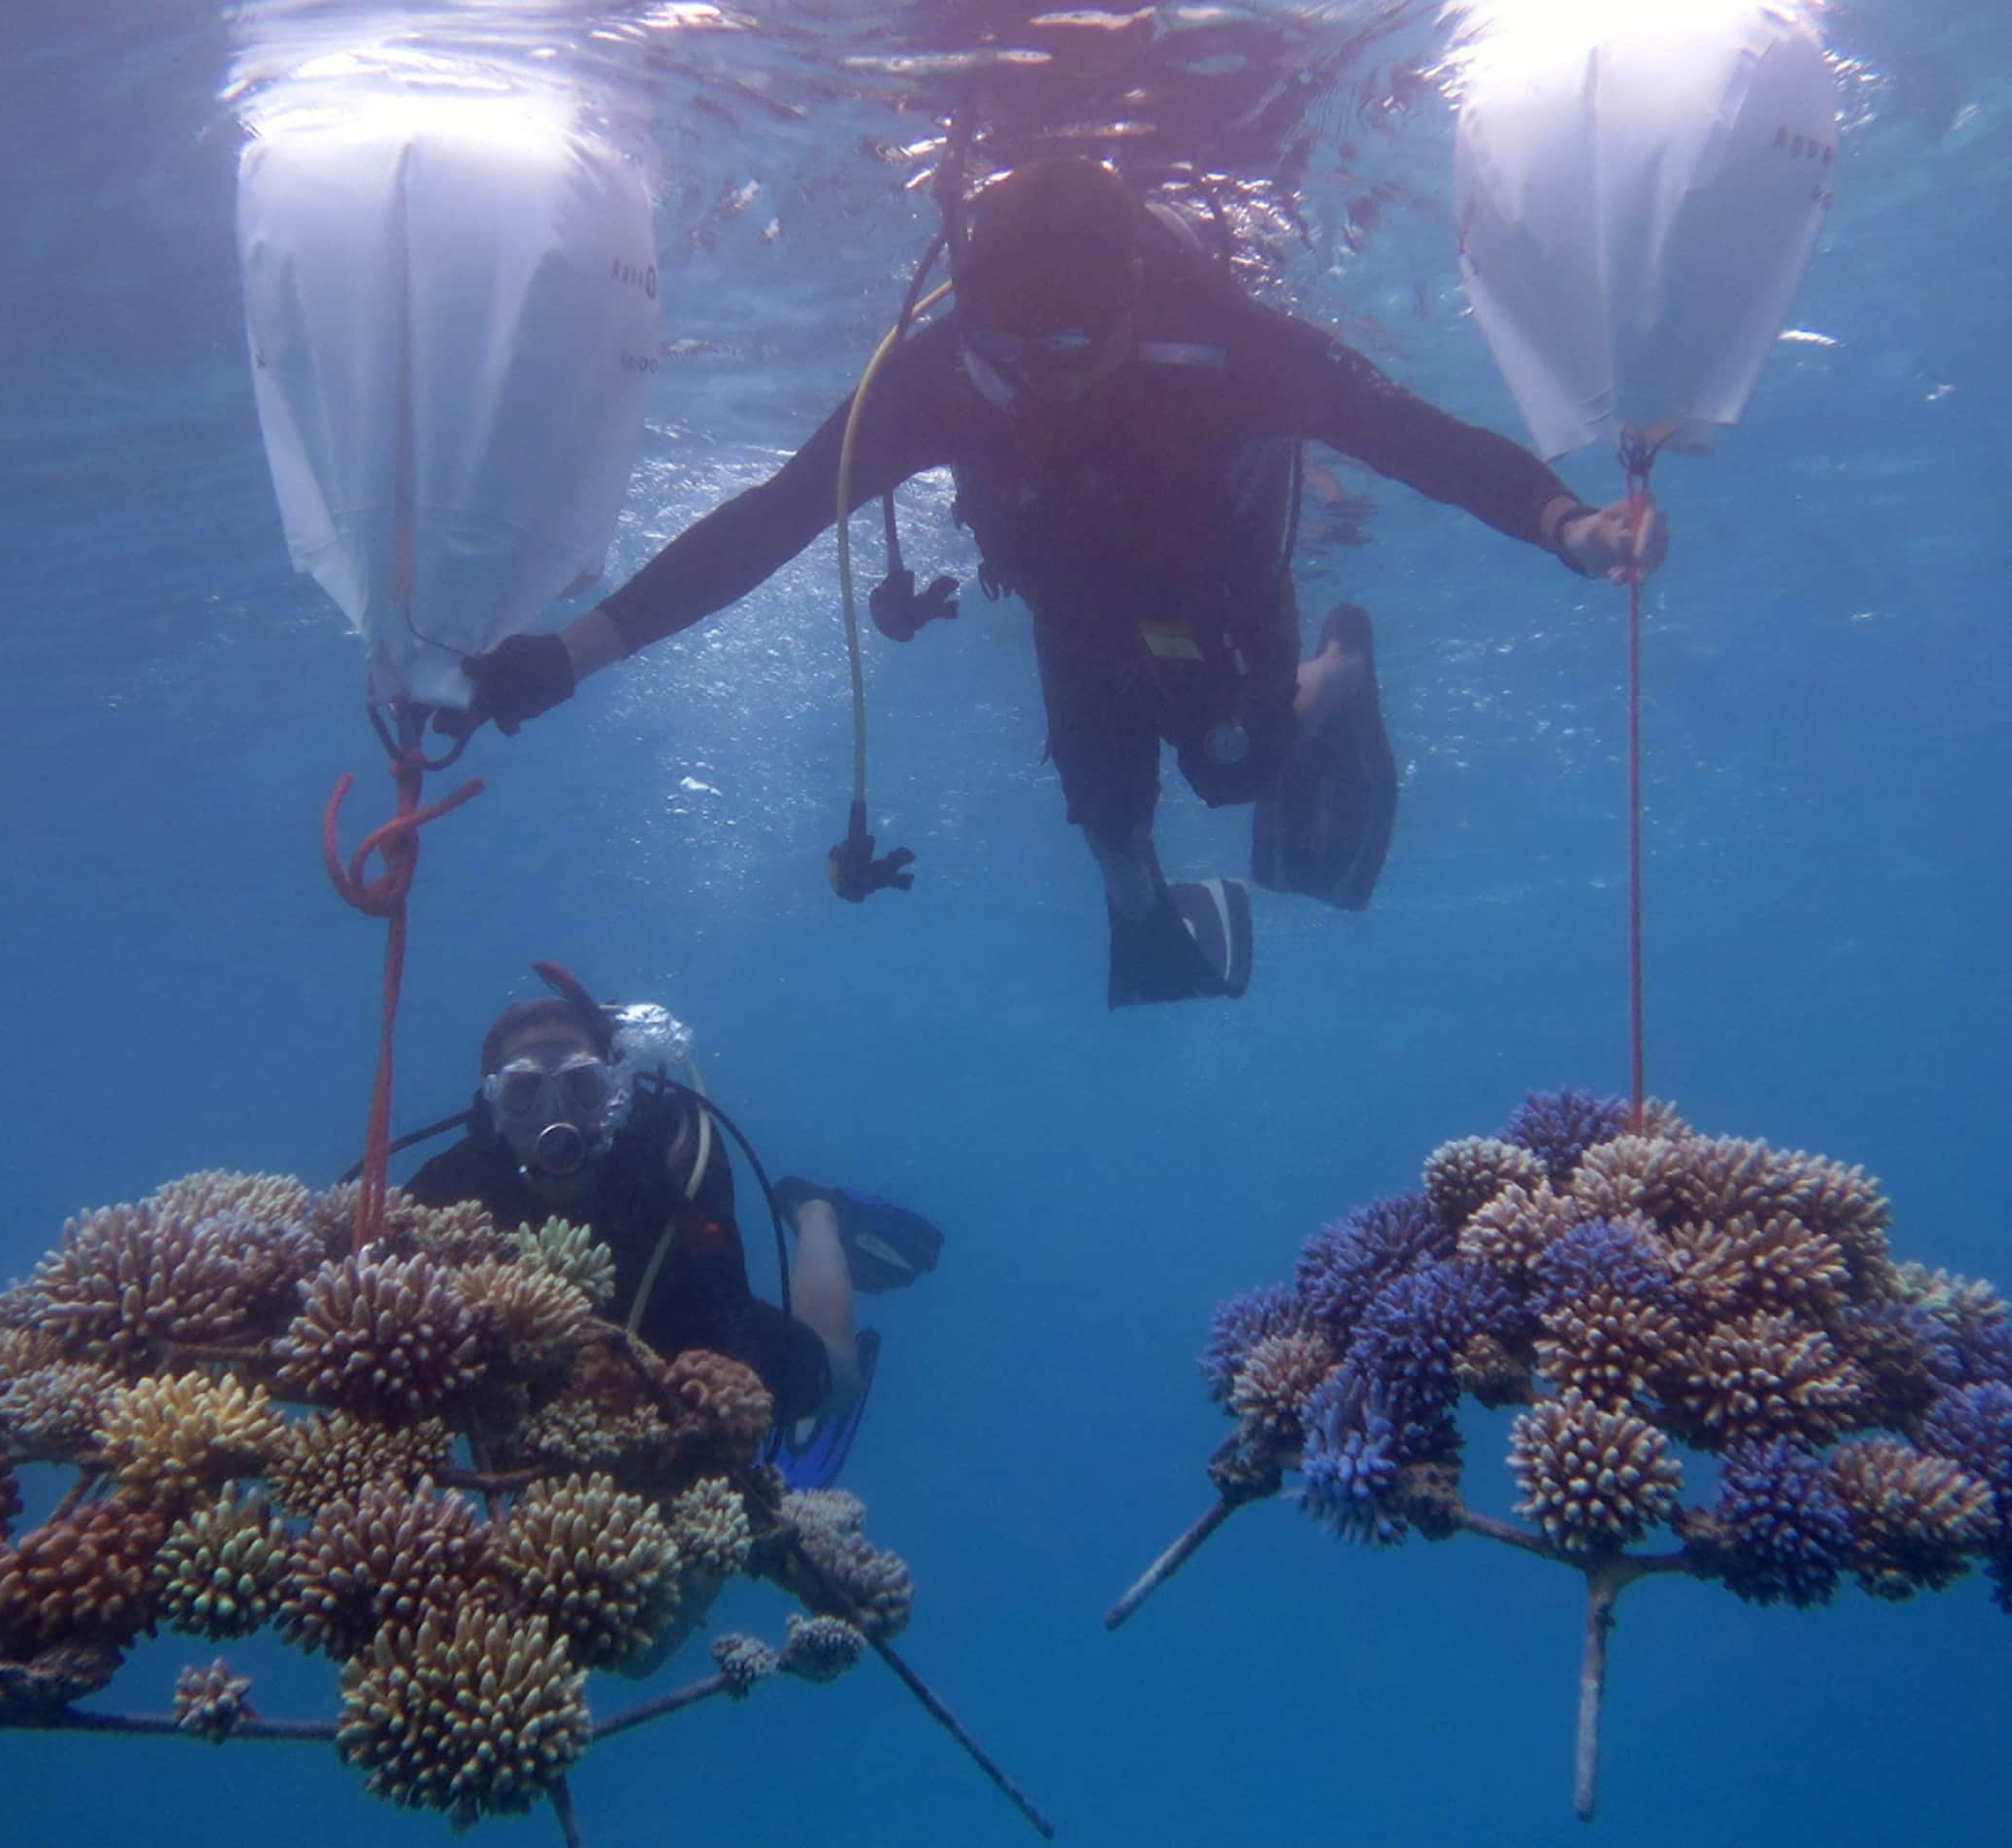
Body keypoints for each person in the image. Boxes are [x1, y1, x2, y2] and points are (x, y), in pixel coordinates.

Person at [446, 156, 1666, 1006]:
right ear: (970, 311)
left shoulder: (1234, 347)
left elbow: (1419, 440)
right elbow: (771, 522)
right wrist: (569, 655)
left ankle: (1341, 664)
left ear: (1131, 302)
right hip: (1071, 605)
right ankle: (1146, 915)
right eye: (1003, 346)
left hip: (1221, 591)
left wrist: (1565, 523)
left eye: (1068, 347)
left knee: (1233, 772)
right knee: (1108, 822)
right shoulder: (935, 375)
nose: (1034, 377)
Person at [401, 965, 941, 1486]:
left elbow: (729, 1316)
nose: (554, 1111)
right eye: (524, 1091)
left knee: (839, 1382)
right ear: (492, 1110)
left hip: (687, 1316)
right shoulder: (448, 1187)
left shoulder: (675, 1153)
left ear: (615, 1092)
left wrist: (714, 1417)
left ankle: (817, 1211)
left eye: (581, 1085)